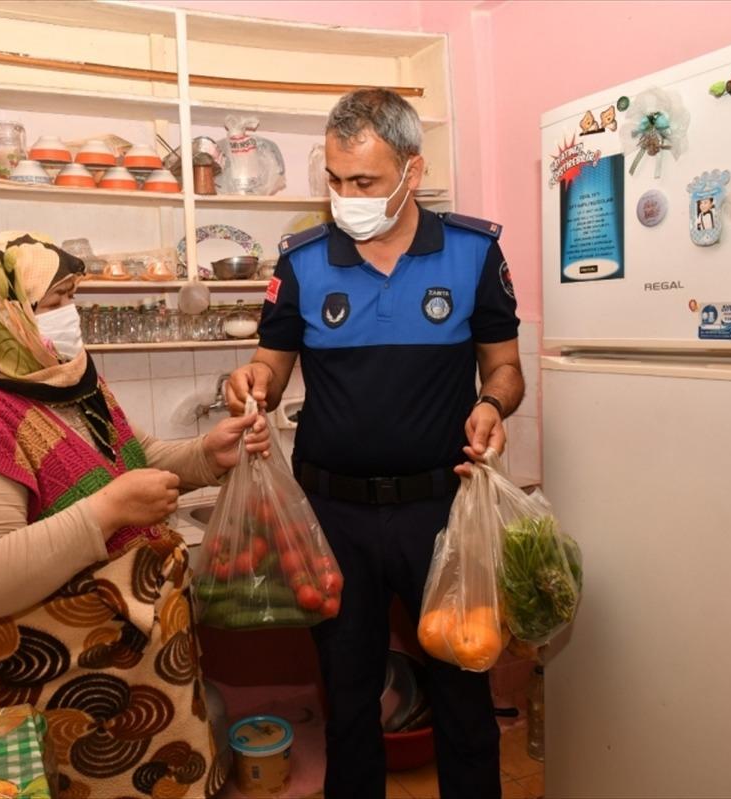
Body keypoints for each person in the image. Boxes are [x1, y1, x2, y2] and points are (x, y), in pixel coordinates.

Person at [225, 89, 525, 799]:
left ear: (412, 172)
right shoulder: (301, 262)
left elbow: (505, 367)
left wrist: (491, 404)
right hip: (336, 518)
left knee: (462, 694)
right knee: (348, 697)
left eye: (363, 181)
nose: (344, 196)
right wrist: (249, 383)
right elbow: (270, 364)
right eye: (333, 179)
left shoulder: (473, 253)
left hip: (442, 513)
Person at [0, 231, 267, 799]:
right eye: (52, 303)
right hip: (52, 692)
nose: (69, 316)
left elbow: (132, 455)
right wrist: (108, 512)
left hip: (134, 679)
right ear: (3, 308)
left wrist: (204, 455)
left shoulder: (65, 378)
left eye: (73, 298)